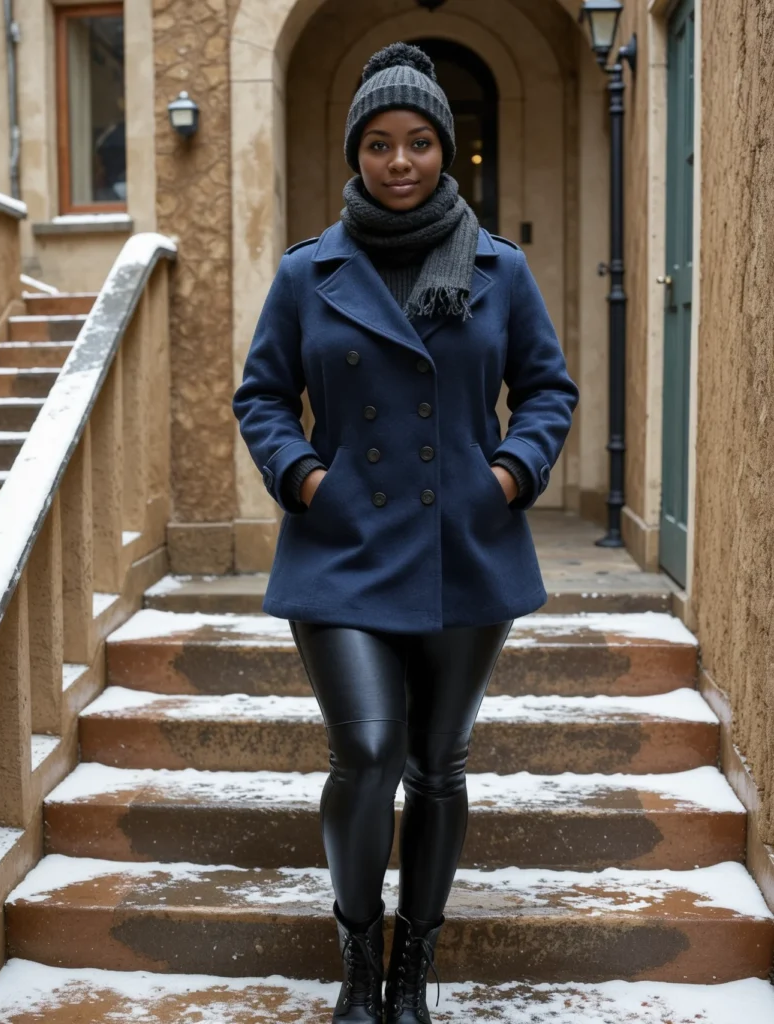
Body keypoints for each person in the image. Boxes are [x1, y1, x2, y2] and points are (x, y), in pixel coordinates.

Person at [232, 41, 579, 1024]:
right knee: (369, 749)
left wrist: (508, 472)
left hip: (462, 547)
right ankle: (355, 953)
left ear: (443, 148)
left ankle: (409, 970)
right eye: (378, 144)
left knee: (437, 763)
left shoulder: (499, 271)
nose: (398, 161)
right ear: (355, 153)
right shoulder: (310, 272)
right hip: (341, 547)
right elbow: (261, 395)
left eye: (417, 142)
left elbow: (546, 388)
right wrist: (303, 478)